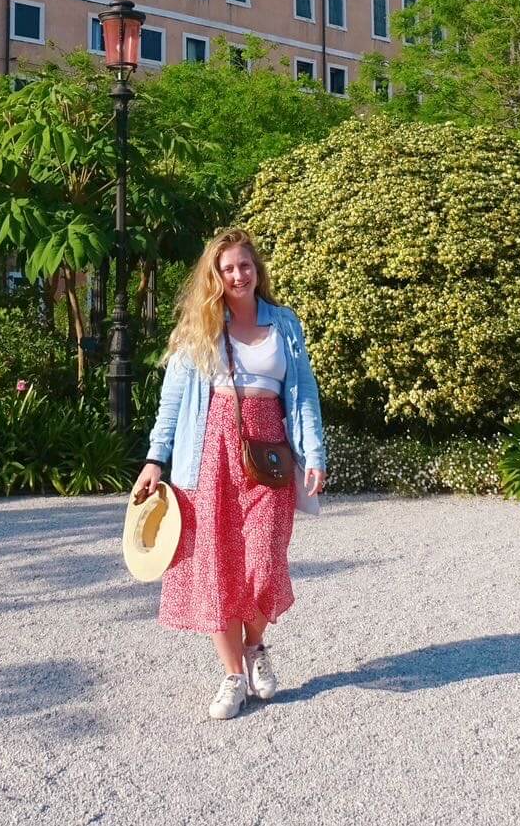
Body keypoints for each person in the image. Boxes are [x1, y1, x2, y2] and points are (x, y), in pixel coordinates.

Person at [132, 228, 327, 720]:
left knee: (265, 558)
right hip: (209, 453)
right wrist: (156, 458)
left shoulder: (284, 324)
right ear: (214, 276)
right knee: (215, 563)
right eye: (228, 268)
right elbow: (172, 402)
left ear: (257, 269)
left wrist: (316, 453)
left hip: (270, 455)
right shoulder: (201, 326)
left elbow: (302, 394)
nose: (238, 274)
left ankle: (256, 645)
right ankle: (234, 675)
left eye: (245, 265)